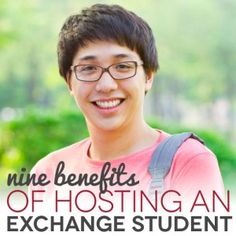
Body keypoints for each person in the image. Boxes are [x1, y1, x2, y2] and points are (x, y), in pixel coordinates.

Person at [30, 4, 224, 207]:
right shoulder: (48, 174)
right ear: (70, 81)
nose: (106, 85)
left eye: (122, 66)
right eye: (88, 68)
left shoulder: (187, 162)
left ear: (148, 76)